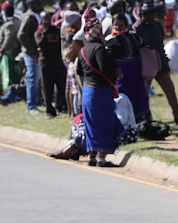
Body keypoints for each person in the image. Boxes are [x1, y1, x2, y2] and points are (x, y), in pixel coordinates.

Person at [134, 2, 178, 125]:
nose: (150, 16)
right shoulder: (137, 28)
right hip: (145, 65)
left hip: (160, 62)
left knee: (170, 89)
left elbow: (160, 44)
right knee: (144, 93)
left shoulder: (157, 25)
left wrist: (164, 60)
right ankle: (144, 119)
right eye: (147, 14)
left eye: (152, 13)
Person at [77, 18, 125, 167]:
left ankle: (92, 157)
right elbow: (105, 69)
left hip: (87, 91)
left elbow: (79, 71)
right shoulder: (99, 49)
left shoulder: (82, 50)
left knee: (91, 125)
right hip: (100, 92)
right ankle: (101, 159)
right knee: (105, 123)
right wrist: (116, 73)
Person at [104, 13, 149, 123]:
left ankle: (142, 120)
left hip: (136, 71)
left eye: (121, 24)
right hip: (121, 73)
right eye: (116, 25)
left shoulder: (134, 36)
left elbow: (143, 47)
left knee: (140, 94)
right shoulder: (109, 39)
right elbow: (108, 57)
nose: (118, 27)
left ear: (126, 24)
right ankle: (127, 121)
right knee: (123, 95)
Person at [35, 11, 66, 118]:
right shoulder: (39, 32)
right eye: (44, 19)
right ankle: (50, 111)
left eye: (48, 18)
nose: (47, 21)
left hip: (58, 62)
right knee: (47, 89)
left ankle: (63, 108)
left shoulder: (57, 31)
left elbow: (59, 45)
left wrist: (46, 48)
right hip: (45, 64)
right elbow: (40, 44)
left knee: (62, 87)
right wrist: (44, 31)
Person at [0, 4, 21, 105]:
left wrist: (2, 50)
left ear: (5, 12)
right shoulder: (18, 21)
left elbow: (8, 39)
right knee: (14, 74)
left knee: (3, 73)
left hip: (9, 52)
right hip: (16, 51)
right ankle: (10, 94)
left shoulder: (9, 24)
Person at [17, 0, 43, 115]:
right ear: (32, 5)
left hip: (33, 52)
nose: (41, 5)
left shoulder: (33, 15)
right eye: (38, 3)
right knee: (33, 78)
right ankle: (31, 106)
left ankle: (34, 102)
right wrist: (33, 51)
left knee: (34, 78)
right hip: (31, 53)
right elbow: (21, 35)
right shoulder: (29, 17)